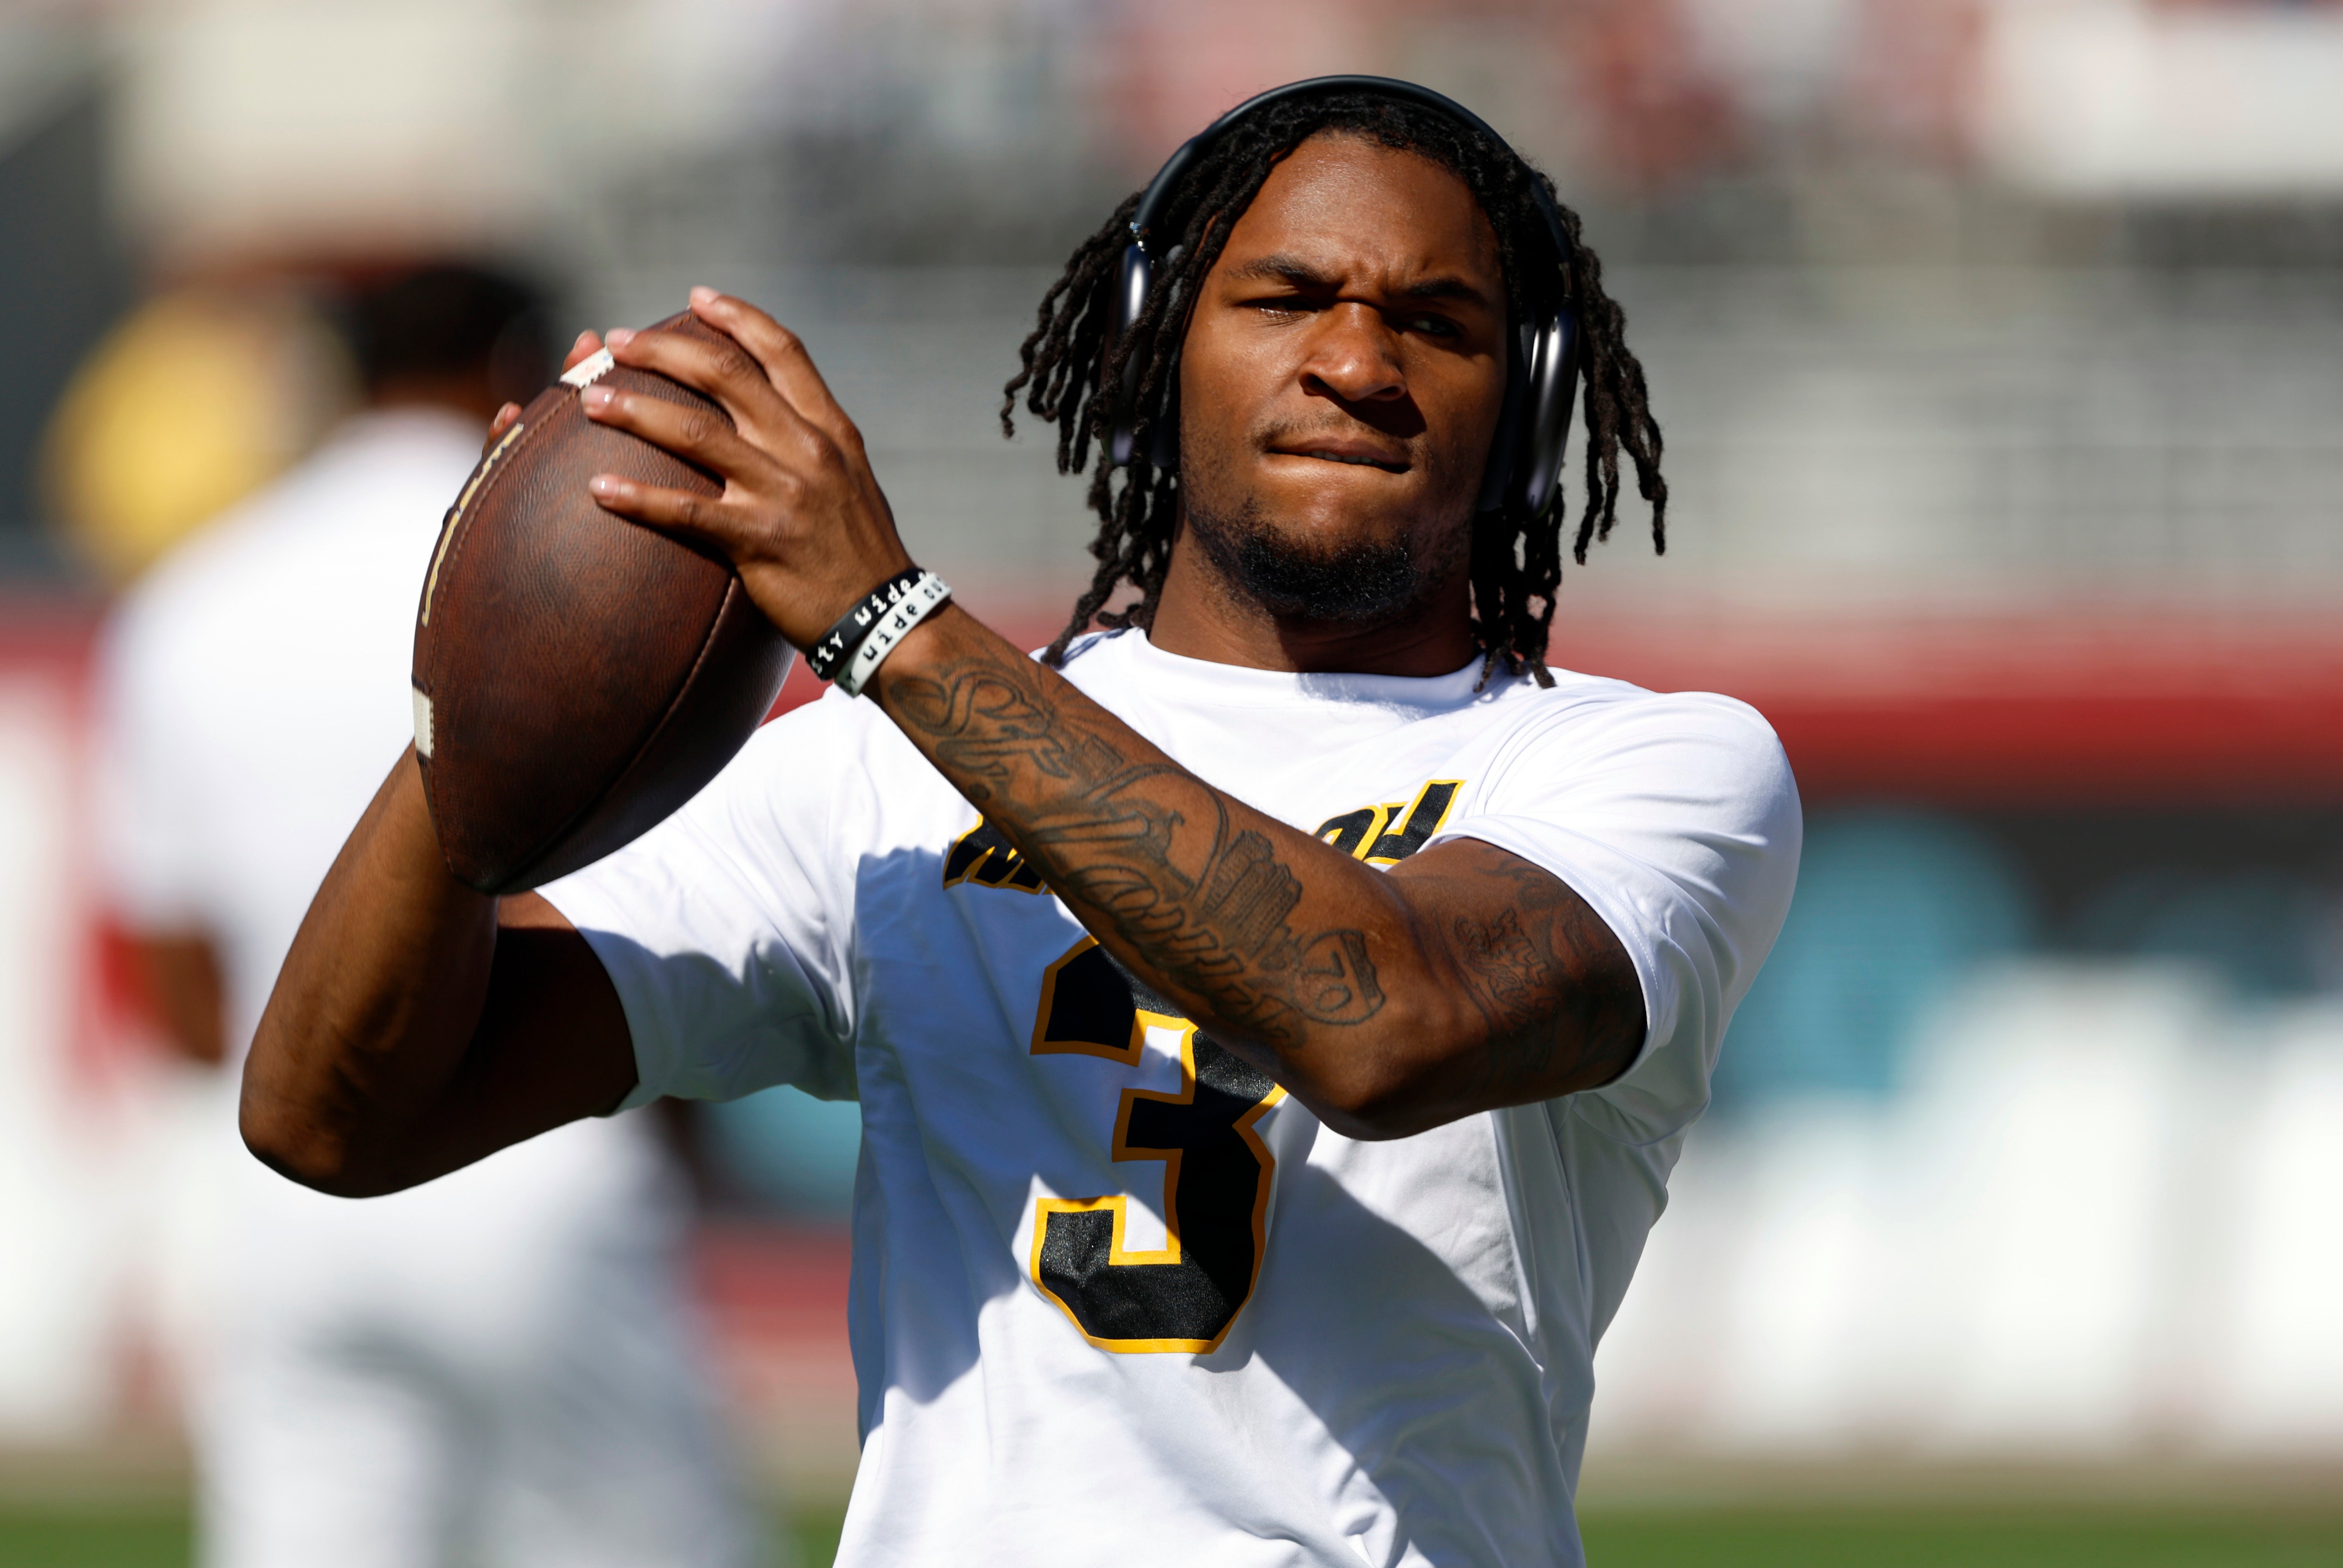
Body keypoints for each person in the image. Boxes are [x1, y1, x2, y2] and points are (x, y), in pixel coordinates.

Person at [243, 82, 1800, 1566]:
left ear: (1526, 406)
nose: (1356, 361)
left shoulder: (1654, 768)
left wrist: (892, 625)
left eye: (1437, 323)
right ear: (1146, 352)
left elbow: (1386, 1023)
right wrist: (490, 692)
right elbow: (336, 1115)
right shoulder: (871, 775)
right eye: (1285, 297)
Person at [94, 265, 755, 1568]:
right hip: (543, 1160)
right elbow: (663, 921)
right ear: (515, 359)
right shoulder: (601, 562)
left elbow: (178, 995)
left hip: (284, 1183)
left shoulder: (190, 596)